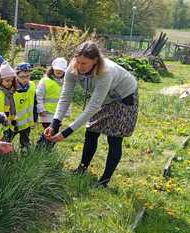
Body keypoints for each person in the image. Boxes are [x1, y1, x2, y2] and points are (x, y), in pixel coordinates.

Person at [44, 41, 139, 187]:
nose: (80, 67)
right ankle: (81, 169)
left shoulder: (105, 72)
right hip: (103, 98)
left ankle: (104, 181)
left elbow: (93, 106)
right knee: (91, 132)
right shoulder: (73, 67)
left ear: (95, 61)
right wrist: (55, 123)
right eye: (78, 62)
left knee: (114, 138)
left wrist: (66, 133)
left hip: (123, 96)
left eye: (85, 63)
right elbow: (65, 96)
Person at [11, 62, 38, 149]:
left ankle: (25, 155)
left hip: (26, 122)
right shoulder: (11, 88)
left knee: (25, 142)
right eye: (22, 77)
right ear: (16, 76)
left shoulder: (32, 86)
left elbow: (34, 103)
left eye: (28, 76)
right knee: (7, 141)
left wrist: (35, 118)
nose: (25, 79)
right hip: (13, 123)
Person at [36, 57, 68, 128]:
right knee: (49, 133)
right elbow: (38, 97)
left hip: (58, 114)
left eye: (61, 69)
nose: (59, 71)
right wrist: (41, 110)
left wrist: (66, 112)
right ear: (52, 68)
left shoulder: (66, 83)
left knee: (52, 134)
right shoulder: (44, 81)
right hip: (46, 114)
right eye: (57, 69)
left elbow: (67, 98)